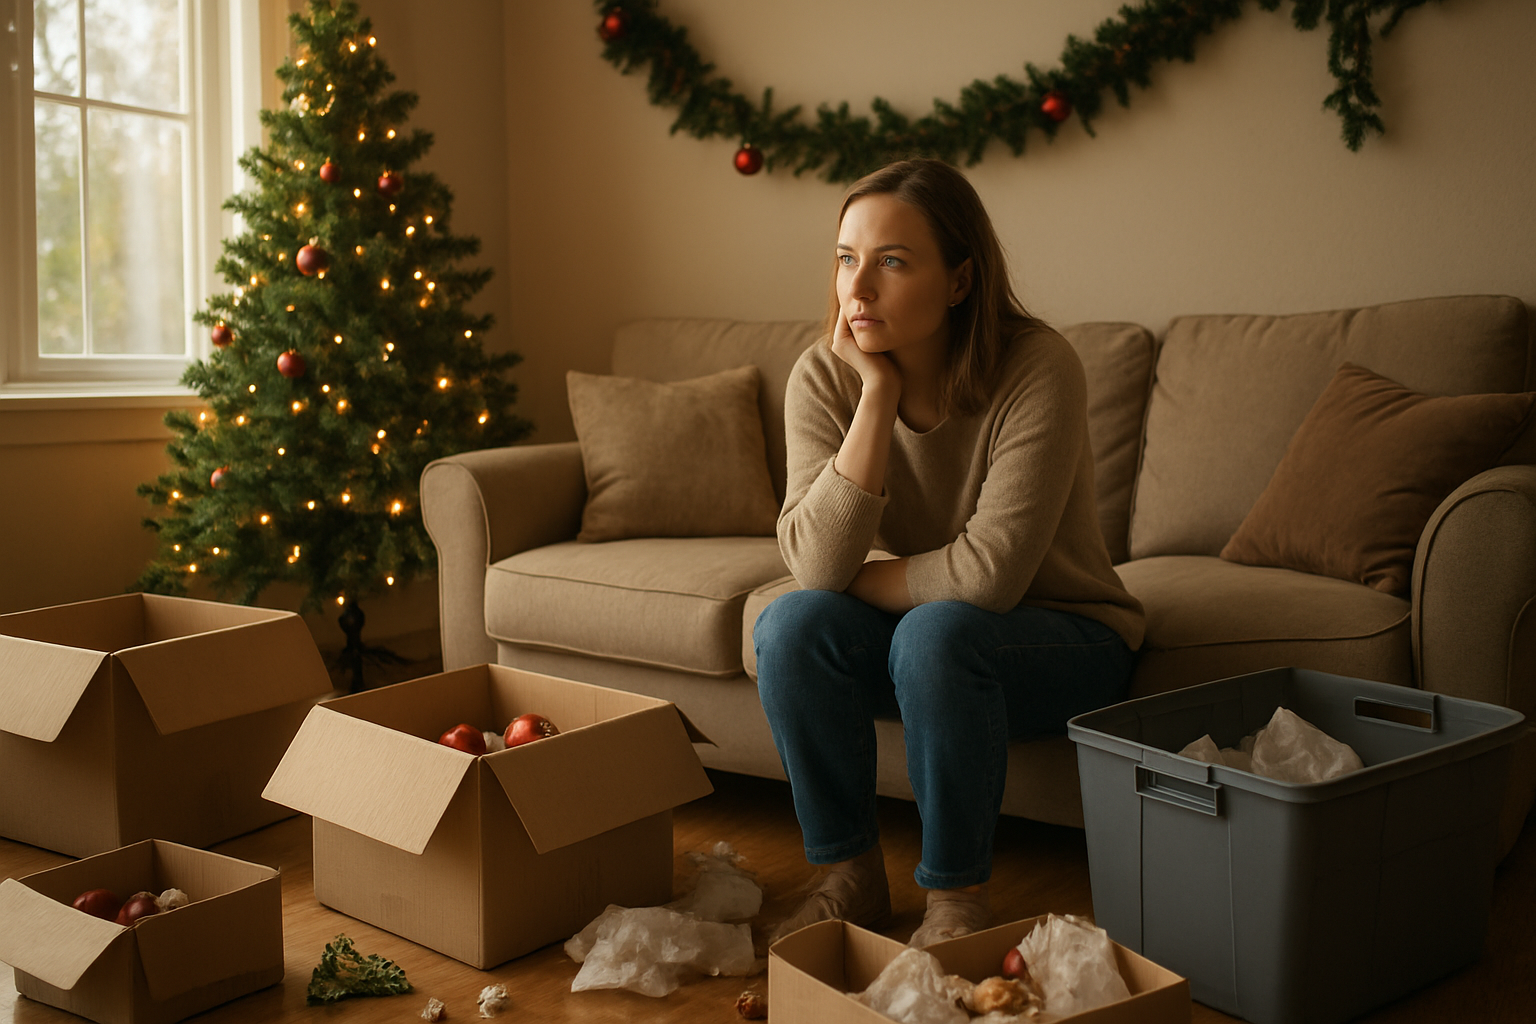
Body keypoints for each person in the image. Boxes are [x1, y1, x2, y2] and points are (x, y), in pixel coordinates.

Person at [754, 158, 1145, 948]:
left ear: (961, 280)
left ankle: (955, 899)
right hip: (926, 639)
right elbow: (815, 570)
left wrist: (855, 581)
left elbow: (988, 578)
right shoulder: (824, 376)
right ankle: (849, 877)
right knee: (791, 626)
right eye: (847, 259)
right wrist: (877, 397)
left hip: (1064, 634)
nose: (858, 289)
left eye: (892, 262)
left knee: (935, 632)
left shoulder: (1038, 366)